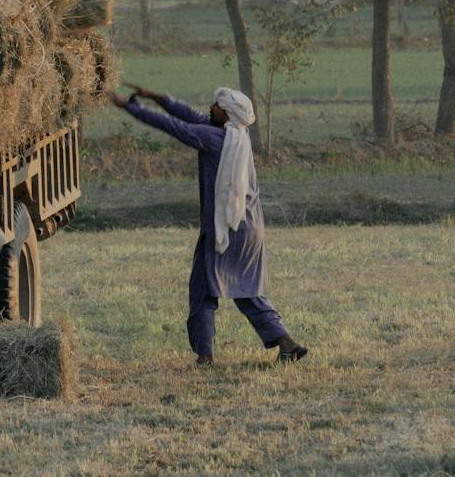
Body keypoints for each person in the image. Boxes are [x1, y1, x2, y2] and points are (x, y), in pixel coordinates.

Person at [108, 82, 308, 365]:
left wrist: (130, 107)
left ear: (225, 114)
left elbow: (173, 126)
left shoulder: (214, 139)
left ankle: (205, 355)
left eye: (216, 105)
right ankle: (285, 341)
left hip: (226, 228)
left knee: (203, 289)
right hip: (250, 228)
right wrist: (156, 96)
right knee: (247, 291)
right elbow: (187, 114)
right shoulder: (236, 136)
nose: (210, 107)